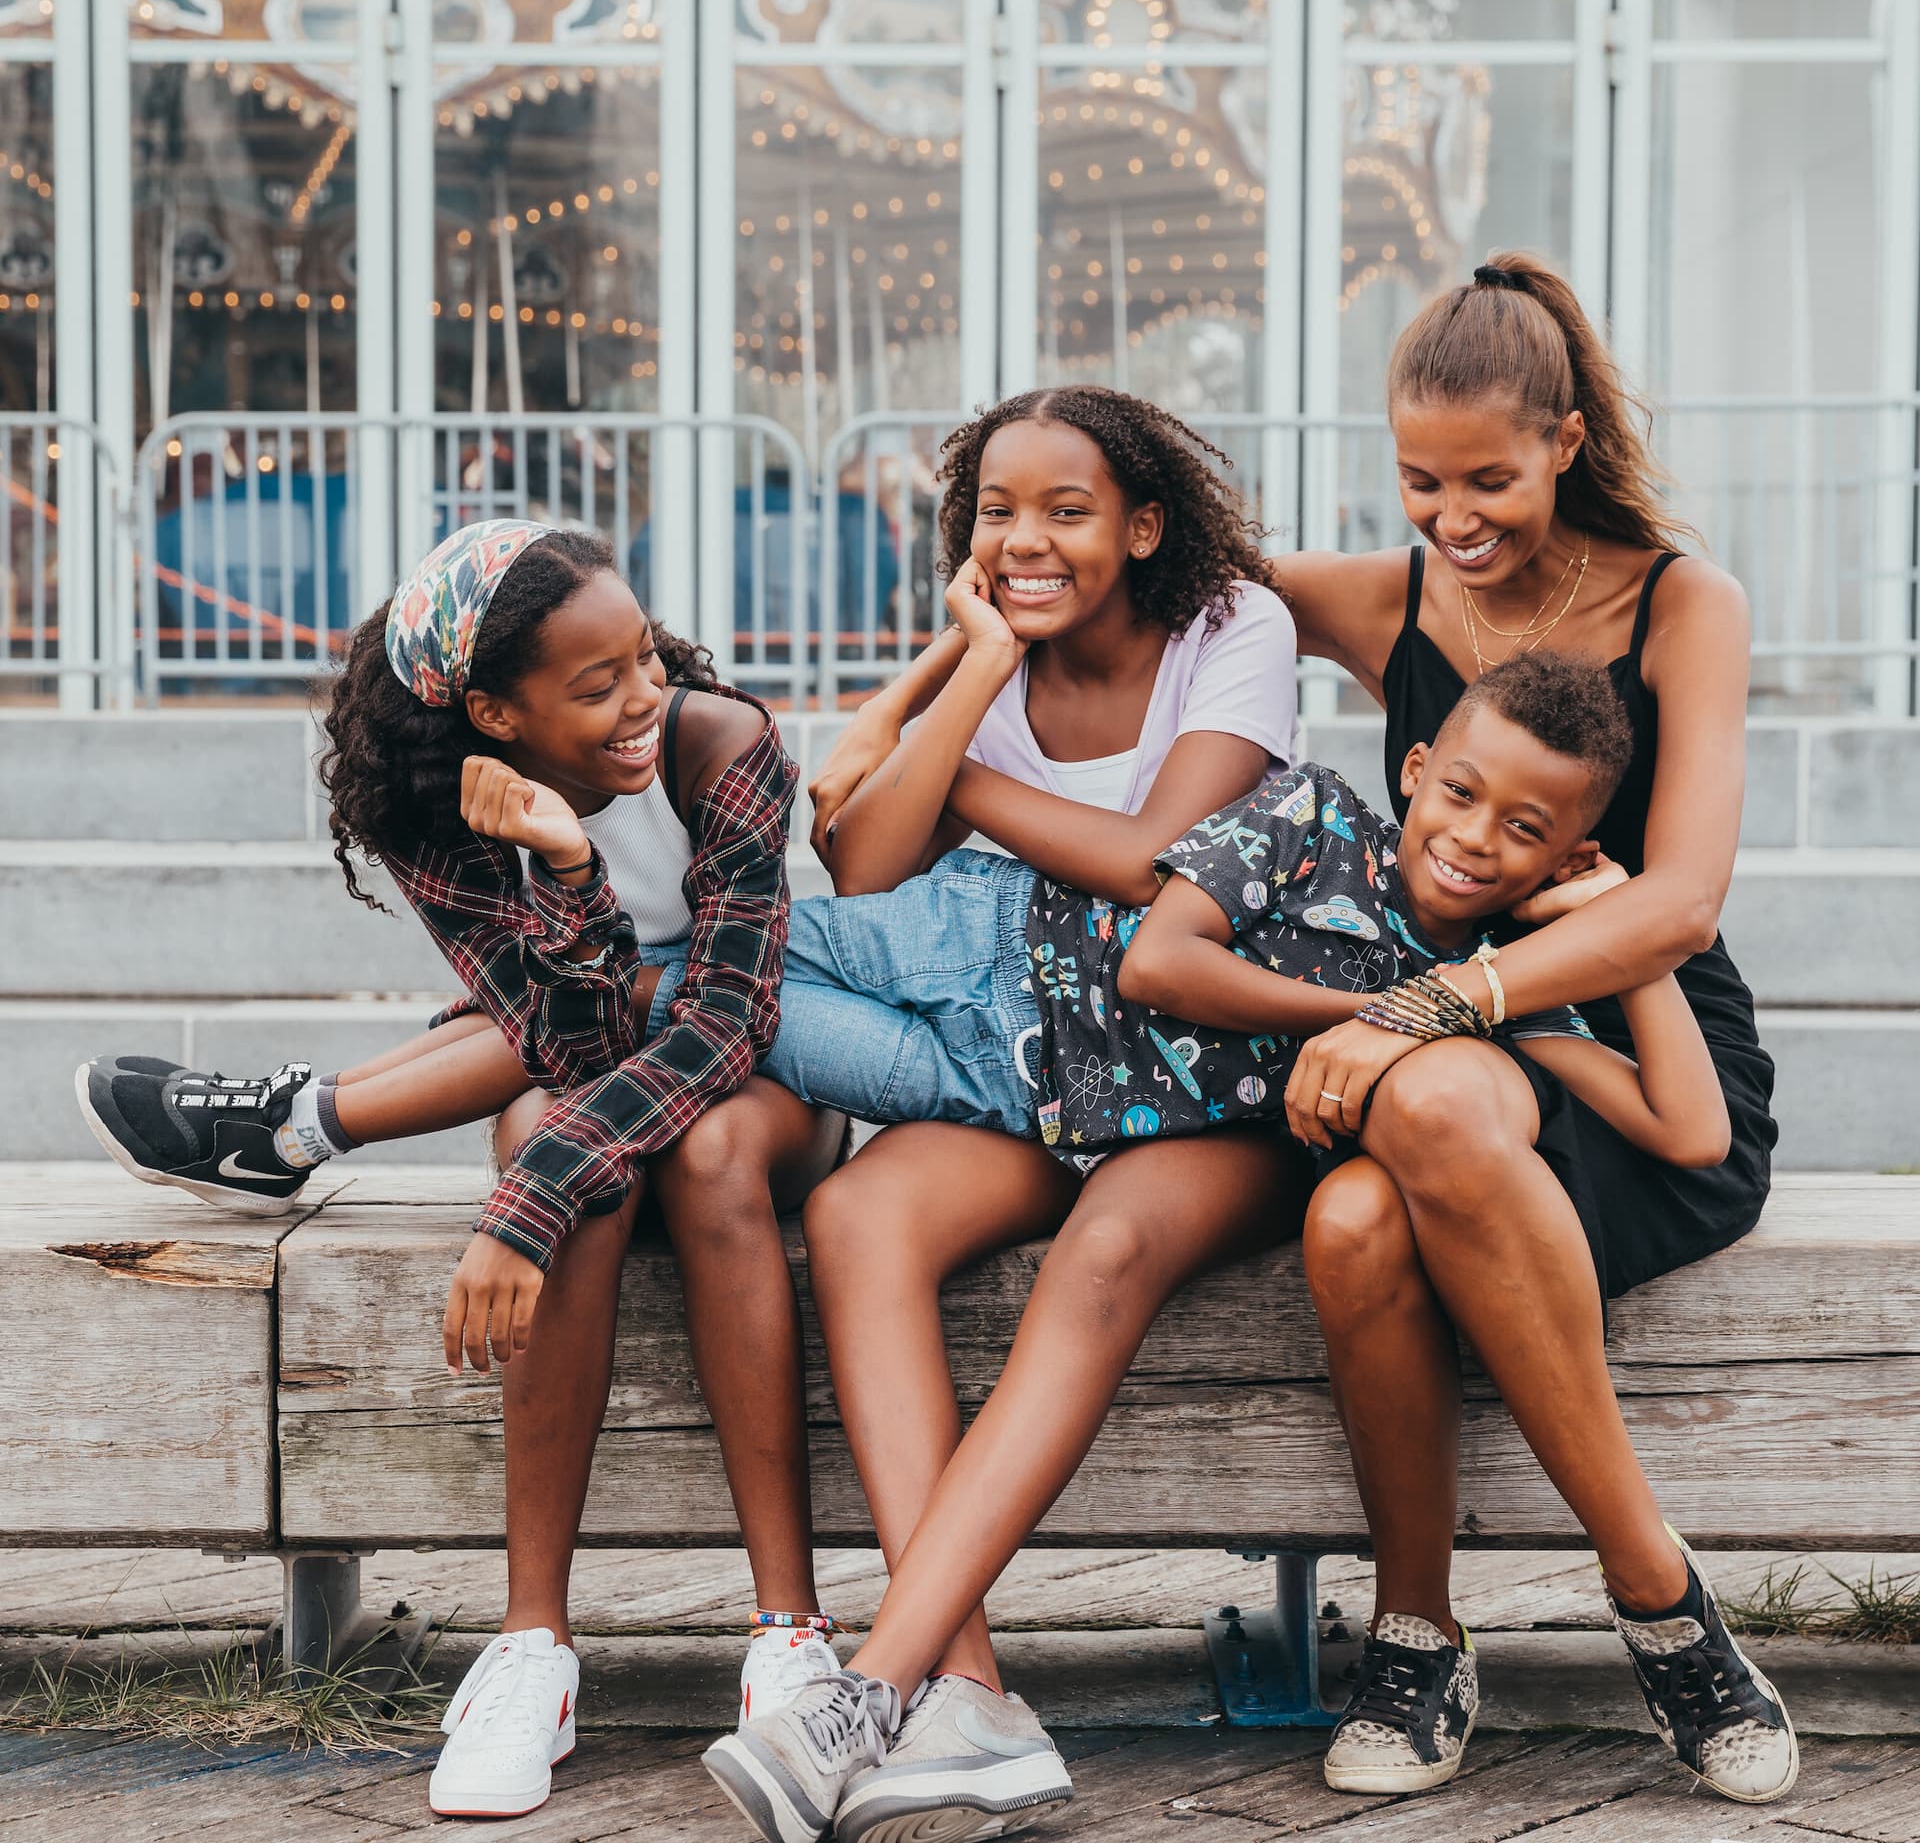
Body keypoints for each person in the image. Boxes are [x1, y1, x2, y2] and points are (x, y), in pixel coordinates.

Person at [699, 650, 1739, 1843]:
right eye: (1458, 793)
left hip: (1068, 1113)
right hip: (995, 972)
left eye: (1526, 830)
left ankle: (874, 1692)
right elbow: (1160, 962)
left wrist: (1610, 924)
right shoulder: (1314, 814)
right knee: (683, 998)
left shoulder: (1495, 978)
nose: (1473, 838)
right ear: (1415, 769)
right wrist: (1386, 1014)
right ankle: (884, 1688)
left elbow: (1689, 1127)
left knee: (701, 1015)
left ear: (1561, 854)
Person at [74, 522, 848, 1820]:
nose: (645, 697)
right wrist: (565, 861)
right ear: (496, 710)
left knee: (692, 1156)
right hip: (572, 1035)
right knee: (548, 1130)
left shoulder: (722, 743)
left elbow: (727, 1023)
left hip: (758, 1084)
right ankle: (532, 1645)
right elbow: (565, 1037)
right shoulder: (432, 805)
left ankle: (790, 1635)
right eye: (597, 686)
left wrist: (525, 1200)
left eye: (646, 656)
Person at [1270, 252, 1793, 1805]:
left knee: (1401, 1147)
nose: (1452, 517)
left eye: (1489, 478)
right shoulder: (1383, 598)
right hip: (1447, 1059)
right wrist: (950, 660)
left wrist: (1437, 1003)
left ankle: (1648, 1592)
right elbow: (1135, 571)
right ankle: (1423, 1635)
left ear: (1566, 440)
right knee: (1358, 1220)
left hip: (1635, 1042)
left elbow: (1681, 900)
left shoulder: (1686, 601)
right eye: (1419, 481)